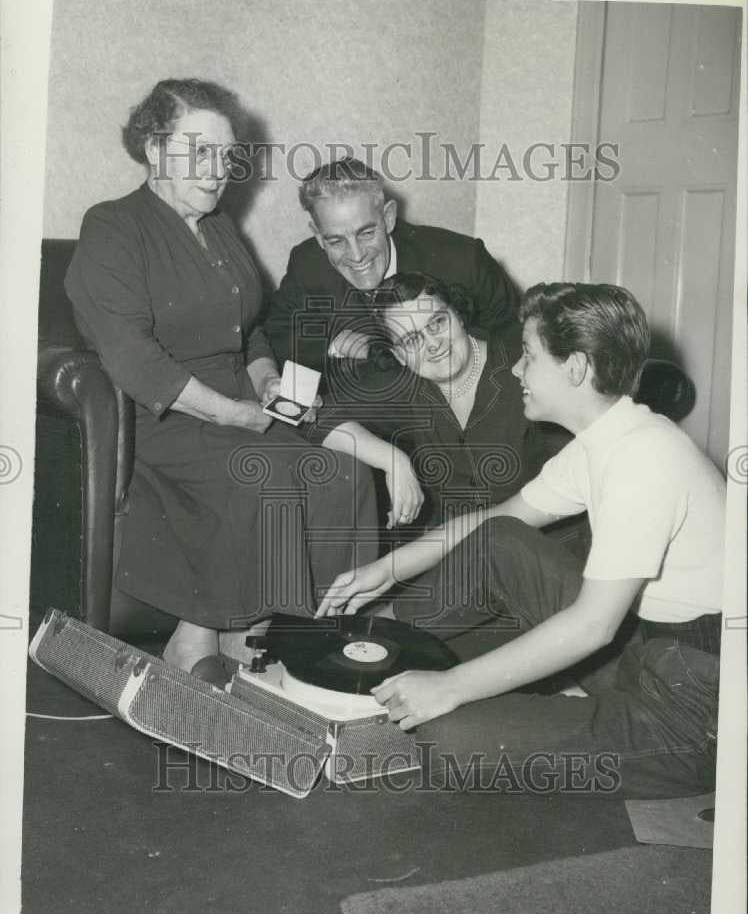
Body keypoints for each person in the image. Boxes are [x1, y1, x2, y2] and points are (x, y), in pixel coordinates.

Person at [317, 283, 725, 799]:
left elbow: (593, 627)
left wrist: (450, 687)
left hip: (697, 714)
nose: (515, 370)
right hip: (647, 651)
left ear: (574, 368)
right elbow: (498, 520)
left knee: (444, 738)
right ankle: (371, 655)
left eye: (528, 356)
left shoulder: (642, 461)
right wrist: (386, 570)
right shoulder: (612, 437)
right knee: (500, 539)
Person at [64, 78, 379, 680]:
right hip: (162, 418)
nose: (218, 171)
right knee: (269, 472)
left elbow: (250, 329)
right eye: (200, 152)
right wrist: (232, 414)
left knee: (344, 470)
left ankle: (265, 636)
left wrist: (264, 380)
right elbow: (131, 356)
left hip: (239, 405)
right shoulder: (113, 227)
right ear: (155, 150)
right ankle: (196, 641)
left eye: (227, 155)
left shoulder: (221, 228)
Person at [306, 271, 563, 529]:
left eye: (437, 323)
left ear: (458, 315)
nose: (432, 344)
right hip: (455, 544)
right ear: (398, 355)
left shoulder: (525, 368)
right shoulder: (405, 387)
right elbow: (306, 410)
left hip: (543, 538)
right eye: (411, 340)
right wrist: (392, 460)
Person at [264, 157, 520, 381]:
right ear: (319, 237)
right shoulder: (307, 264)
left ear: (388, 218)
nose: (356, 255)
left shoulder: (462, 260)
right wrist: (338, 343)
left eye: (366, 233)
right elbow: (279, 335)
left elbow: (515, 342)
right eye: (336, 241)